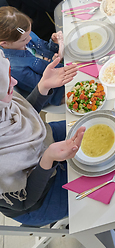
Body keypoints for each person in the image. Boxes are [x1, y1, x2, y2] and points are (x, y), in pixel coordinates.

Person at [0, 51, 84, 226]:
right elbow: (26, 200)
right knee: (103, 178)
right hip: (40, 199)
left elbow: (24, 116)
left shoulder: (2, 100)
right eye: (8, 86)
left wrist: (42, 87)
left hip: (45, 142)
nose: (14, 83)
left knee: (93, 127)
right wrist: (48, 158)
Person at [0, 6, 65, 106]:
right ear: (4, 43)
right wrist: (55, 62)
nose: (30, 38)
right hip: (59, 92)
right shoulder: (15, 68)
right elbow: (44, 87)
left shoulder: (23, 34)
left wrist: (54, 43)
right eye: (24, 39)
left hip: (63, 69)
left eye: (30, 33)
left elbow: (46, 49)